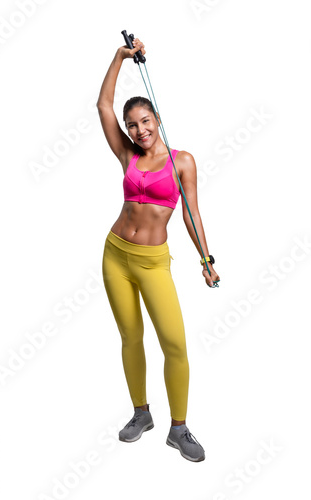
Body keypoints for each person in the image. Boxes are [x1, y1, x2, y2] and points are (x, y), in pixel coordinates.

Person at [97, 37, 220, 462]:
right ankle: (141, 414)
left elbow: (190, 214)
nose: (139, 130)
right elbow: (103, 107)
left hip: (152, 264)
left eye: (145, 121)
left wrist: (206, 260)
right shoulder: (126, 154)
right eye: (132, 125)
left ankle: (179, 428)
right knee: (130, 336)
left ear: (157, 119)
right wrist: (119, 58)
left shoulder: (181, 160)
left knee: (174, 344)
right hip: (115, 256)